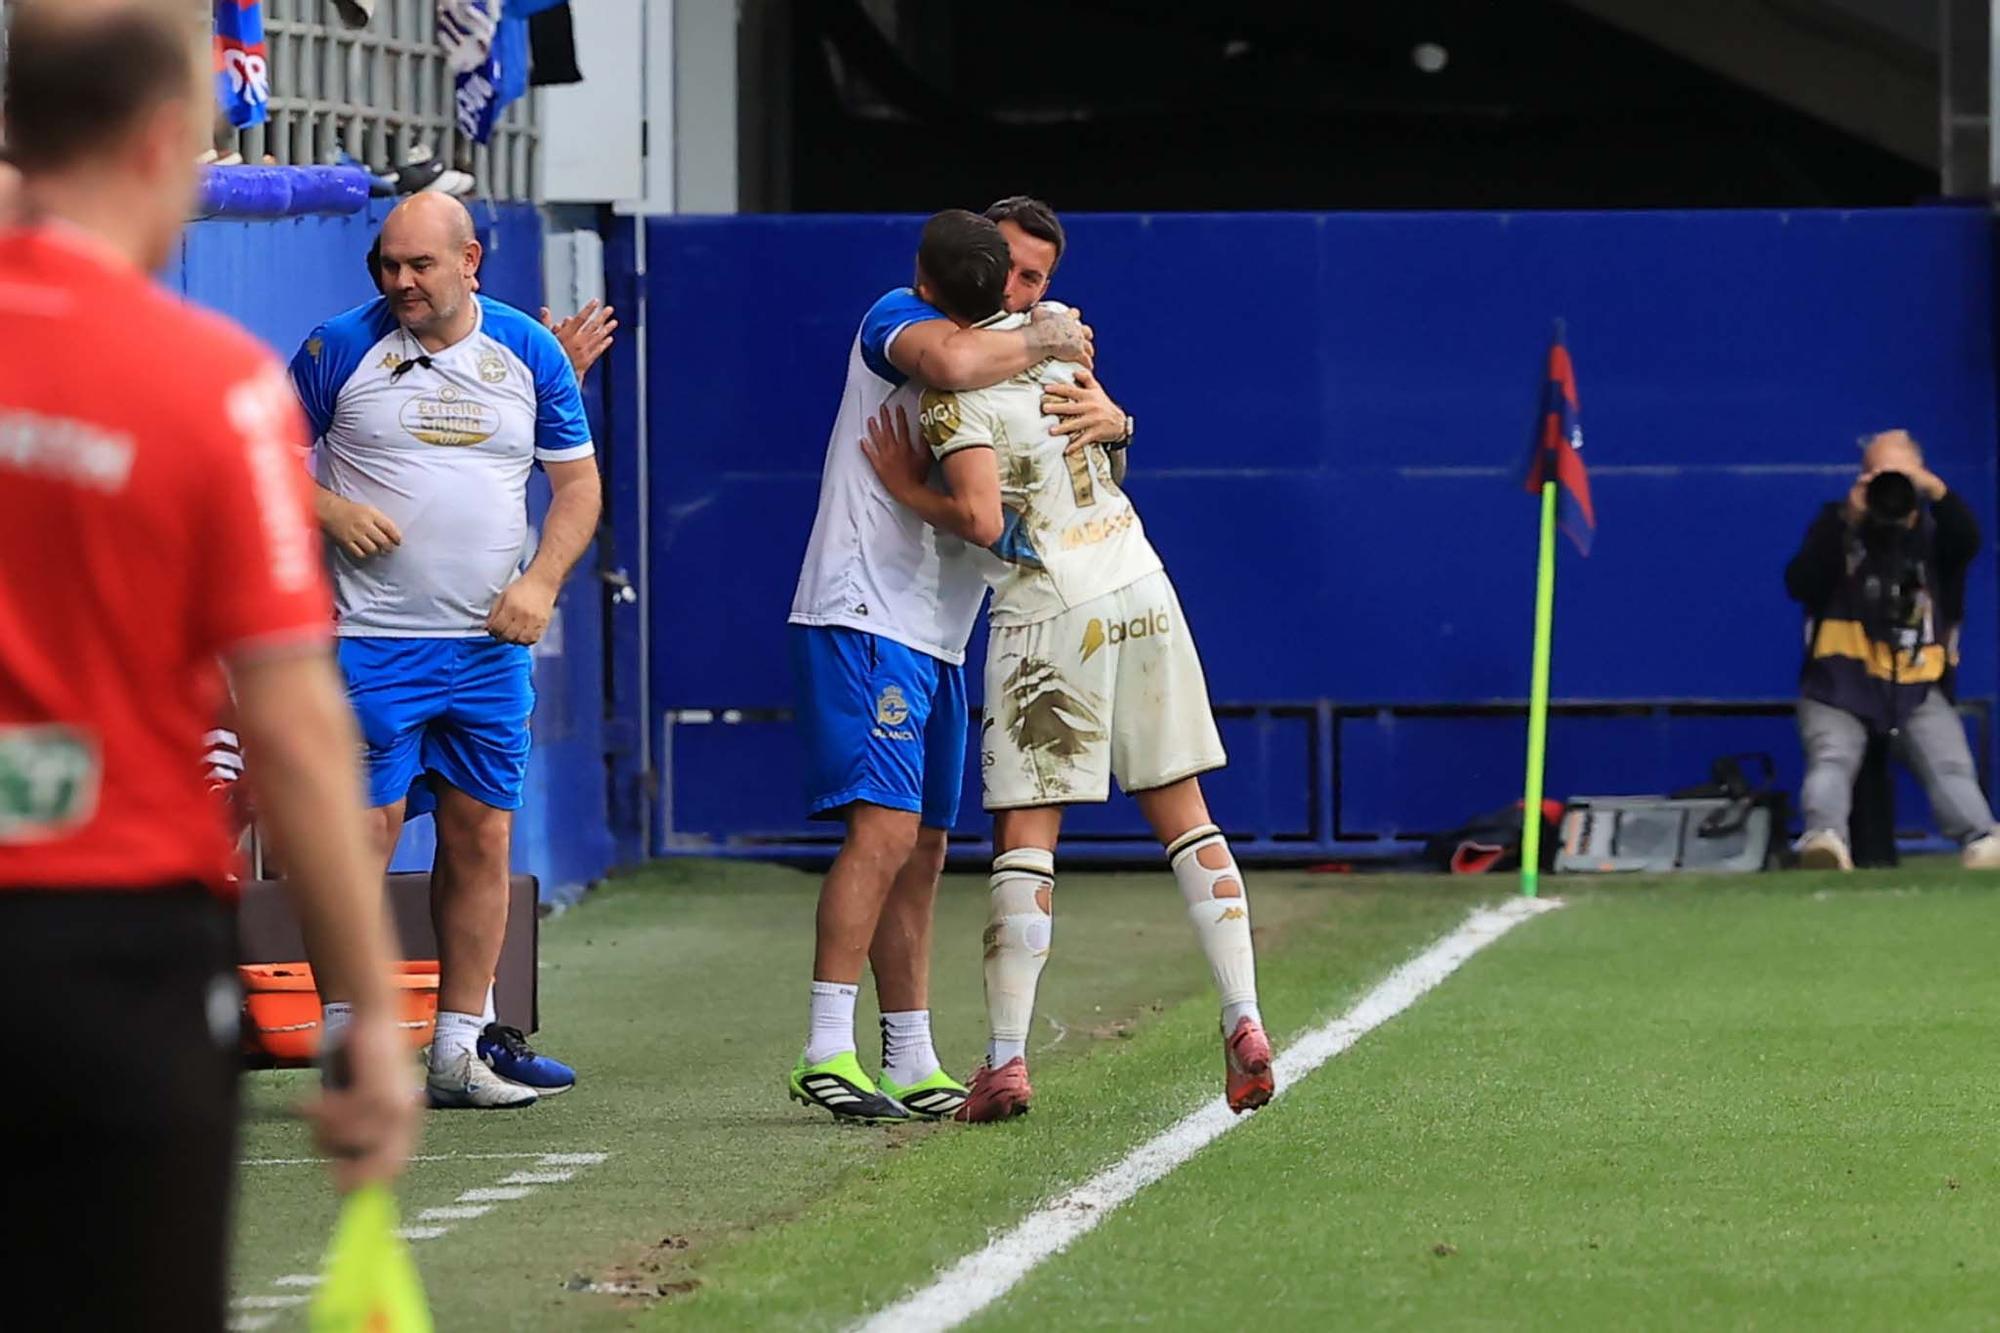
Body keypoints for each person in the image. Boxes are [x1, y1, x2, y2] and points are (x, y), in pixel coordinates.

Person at [0, 2, 415, 1327]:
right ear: (168, 139)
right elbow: (294, 729)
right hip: (114, 951)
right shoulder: (212, 387)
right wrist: (361, 1019)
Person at [863, 231, 1274, 1124]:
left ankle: (1006, 1058)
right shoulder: (1067, 352)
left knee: (1026, 837)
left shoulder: (955, 386)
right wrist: (1118, 423)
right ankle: (1243, 1012)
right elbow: (1104, 452)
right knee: (1186, 812)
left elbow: (978, 516)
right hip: (1142, 586)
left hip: (1049, 609)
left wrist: (905, 486)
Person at [291, 192, 603, 1108]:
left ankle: (458, 1051)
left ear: (470, 261)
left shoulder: (529, 352)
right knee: (359, 840)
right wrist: (332, 508)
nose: (400, 283)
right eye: (386, 266)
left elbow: (577, 486)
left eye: (419, 266)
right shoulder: (338, 346)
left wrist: (541, 582)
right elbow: (256, 456)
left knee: (481, 837)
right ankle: (352, 1044)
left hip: (486, 649)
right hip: (369, 644)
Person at [786, 209, 1093, 1121]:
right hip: (863, 605)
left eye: (1035, 279)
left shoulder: (1019, 355)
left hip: (944, 627)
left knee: (923, 847)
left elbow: (1086, 451)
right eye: (1008, 271)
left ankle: (912, 1053)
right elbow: (955, 366)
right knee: (879, 835)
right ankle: (823, 1048)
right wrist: (1047, 338)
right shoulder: (902, 320)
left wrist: (1110, 408)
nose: (1017, 290)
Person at [1786, 429, 2000, 871]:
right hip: (1839, 682)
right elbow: (1801, 581)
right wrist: (1848, 518)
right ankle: (1823, 841)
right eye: (1879, 475)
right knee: (1832, 757)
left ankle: (1983, 840)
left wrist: (1931, 489)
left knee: (1950, 765)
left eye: (1900, 475)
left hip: (1917, 685)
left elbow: (1968, 539)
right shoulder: (1837, 525)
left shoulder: (1937, 533)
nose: (1891, 488)